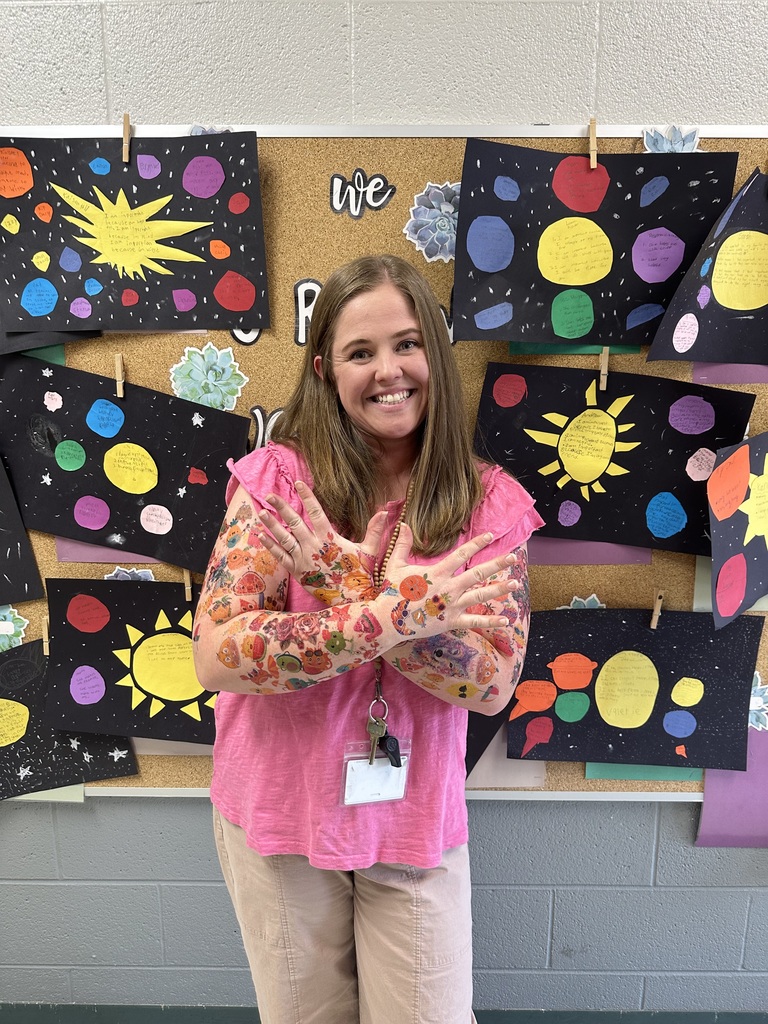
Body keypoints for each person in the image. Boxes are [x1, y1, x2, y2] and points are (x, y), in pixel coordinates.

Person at [192, 254, 544, 1024]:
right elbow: (219, 654)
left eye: (408, 343)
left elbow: (489, 683)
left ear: (437, 357)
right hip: (281, 818)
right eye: (360, 351)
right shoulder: (278, 484)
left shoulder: (490, 506)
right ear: (324, 368)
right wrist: (402, 611)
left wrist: (345, 588)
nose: (389, 370)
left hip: (413, 822)